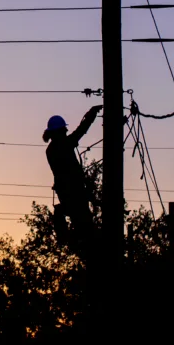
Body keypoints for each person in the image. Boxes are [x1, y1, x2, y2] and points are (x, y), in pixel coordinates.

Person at [43, 106, 103, 251]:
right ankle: (86, 246)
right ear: (59, 132)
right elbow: (82, 129)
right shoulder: (64, 145)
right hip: (74, 193)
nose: (66, 132)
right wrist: (92, 114)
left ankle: (72, 240)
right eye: (64, 130)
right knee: (86, 227)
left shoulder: (51, 150)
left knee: (82, 225)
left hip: (67, 193)